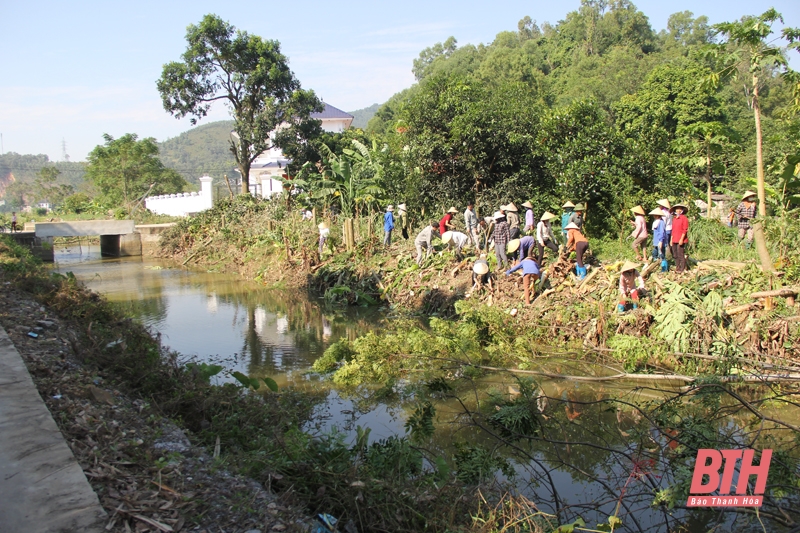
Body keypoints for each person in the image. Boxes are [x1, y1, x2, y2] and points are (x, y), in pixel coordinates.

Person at [670, 204, 689, 273]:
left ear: (682, 210)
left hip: (681, 239)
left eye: (680, 209)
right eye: (677, 209)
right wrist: (671, 239)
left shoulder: (684, 218)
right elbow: (673, 230)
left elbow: (685, 230)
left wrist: (681, 239)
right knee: (675, 254)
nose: (678, 210)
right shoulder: (674, 218)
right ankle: (677, 267)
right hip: (674, 238)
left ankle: (682, 268)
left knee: (680, 254)